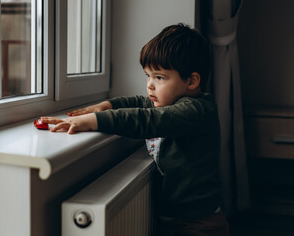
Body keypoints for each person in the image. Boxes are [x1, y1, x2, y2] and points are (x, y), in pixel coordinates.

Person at [41, 23, 230, 236]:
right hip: (177, 218)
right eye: (147, 75)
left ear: (192, 81)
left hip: (199, 224)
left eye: (159, 77)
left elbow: (144, 119)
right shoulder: (169, 103)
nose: (150, 84)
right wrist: (107, 105)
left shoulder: (196, 111)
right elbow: (139, 102)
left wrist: (94, 120)